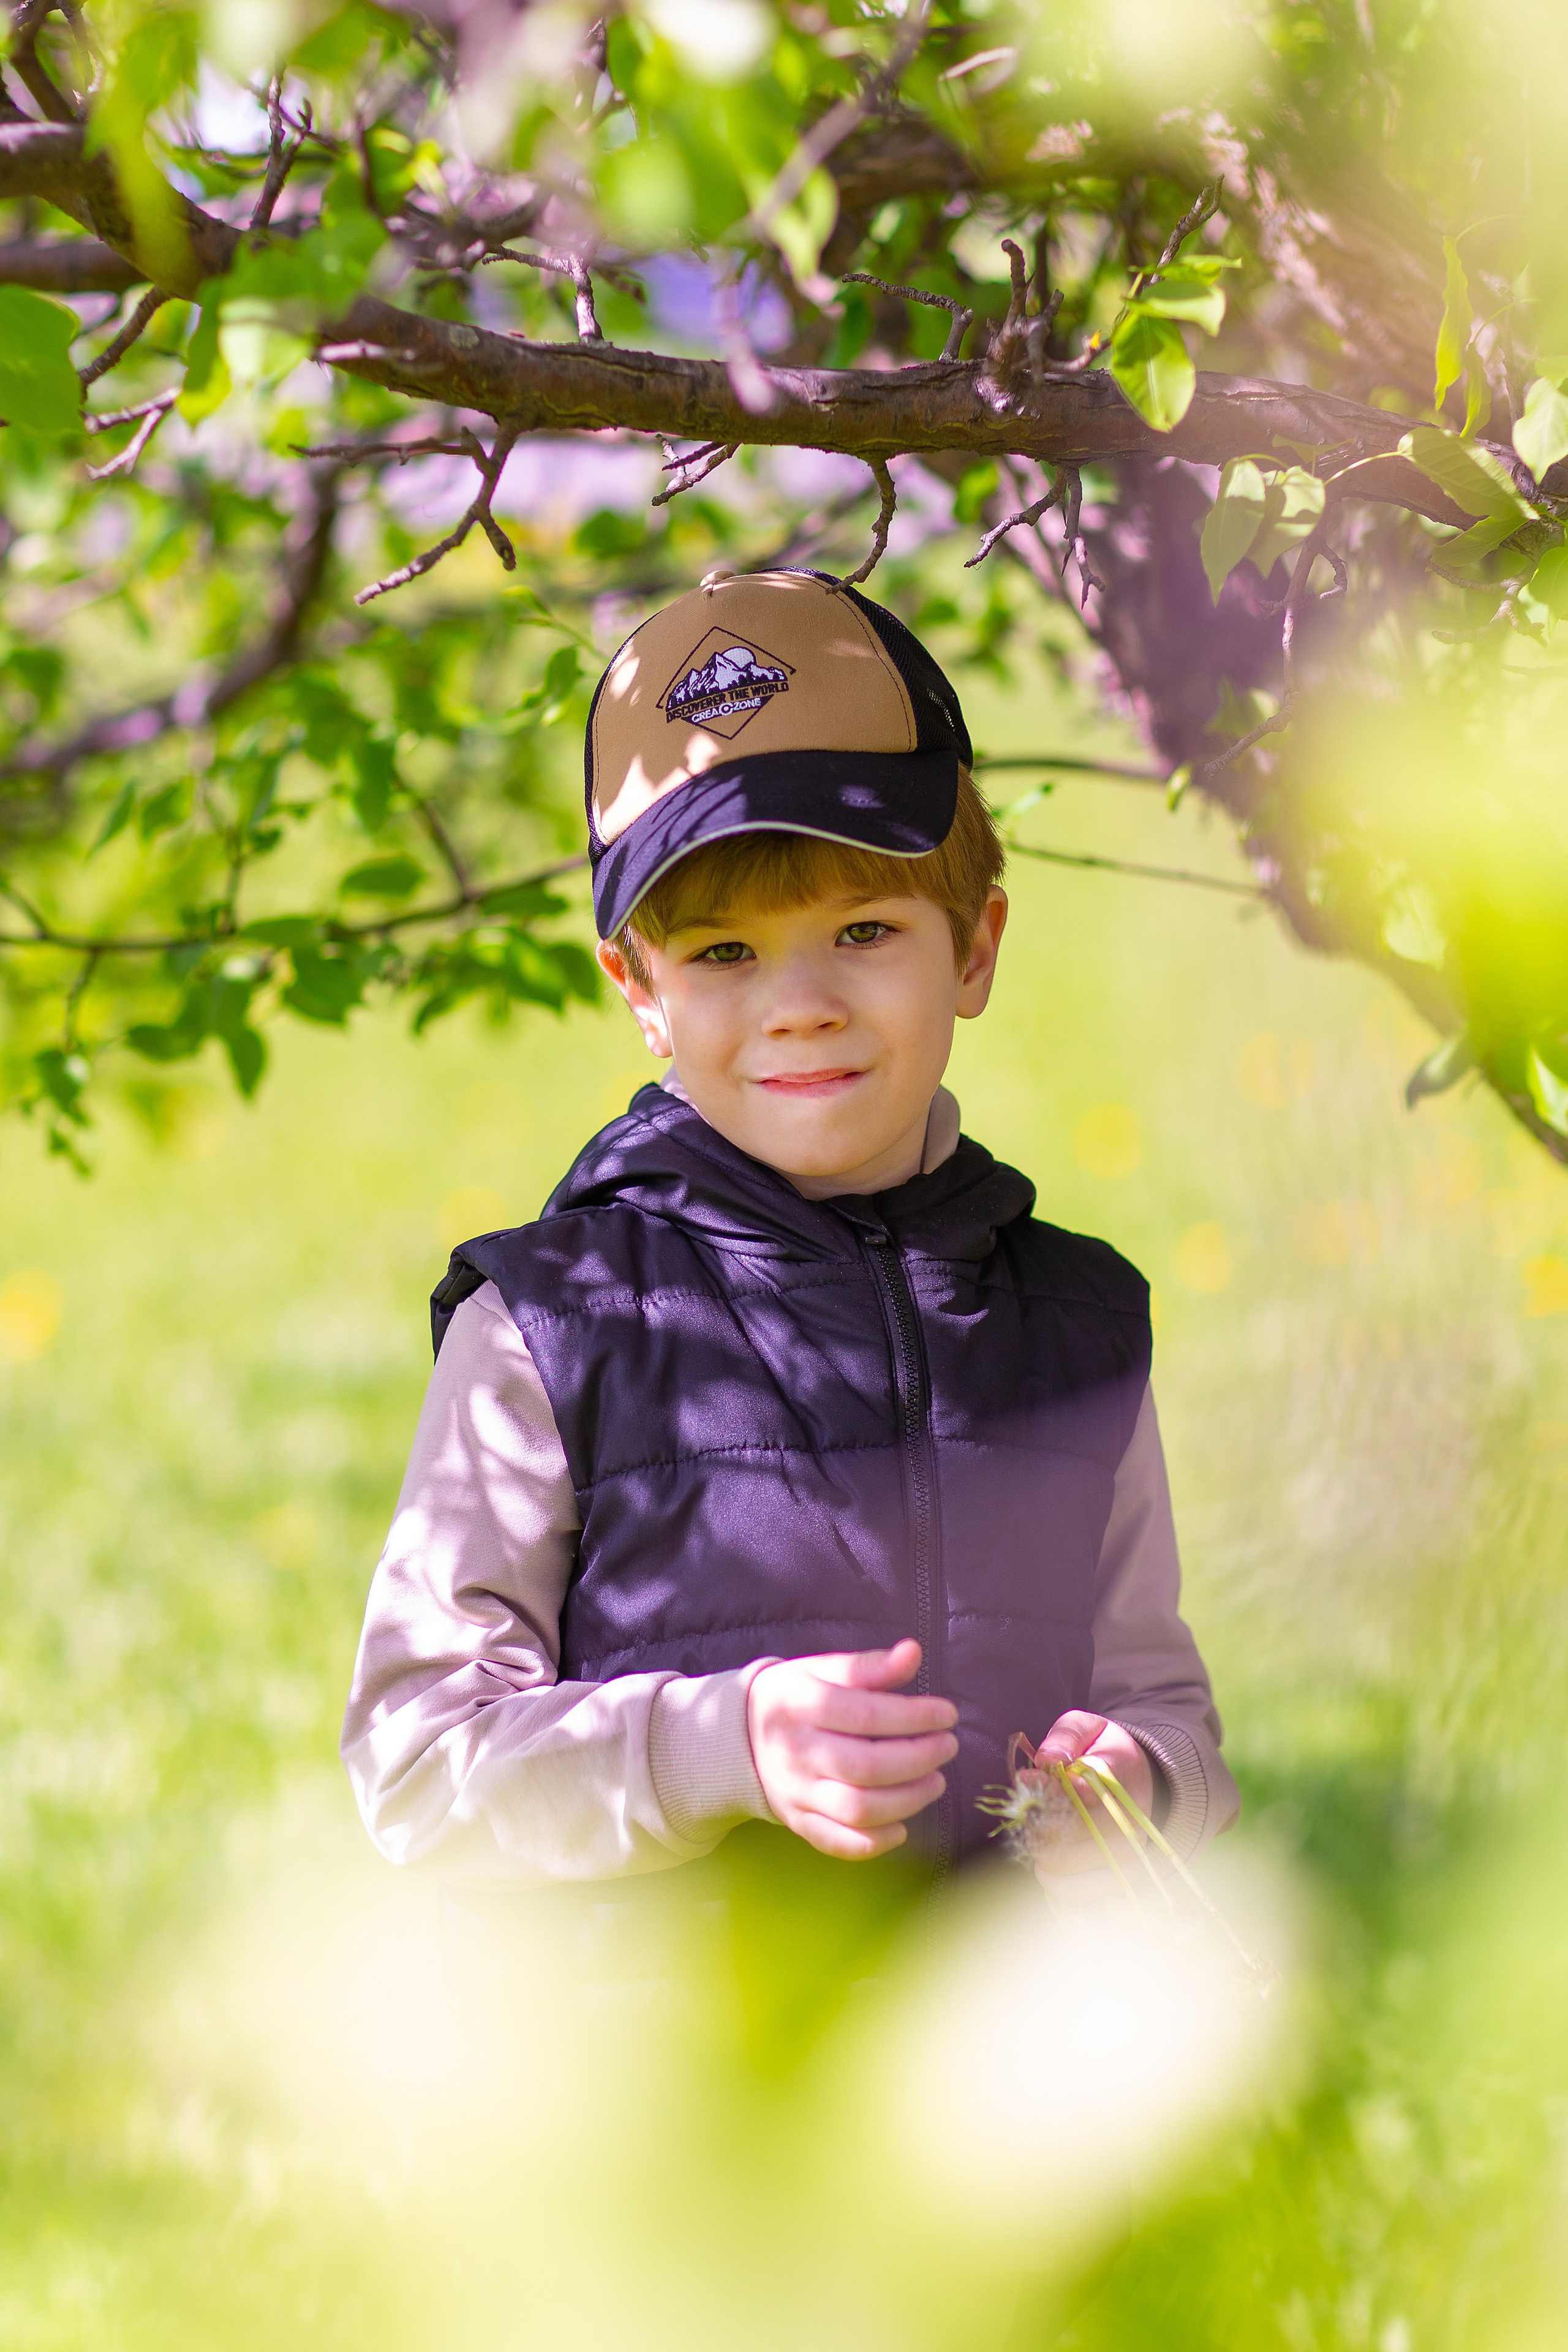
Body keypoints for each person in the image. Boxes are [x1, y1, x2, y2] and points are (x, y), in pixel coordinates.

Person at [342, 567, 1237, 1896]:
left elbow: (1162, 1702)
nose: (800, 1003)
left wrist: (1142, 1777)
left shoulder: (1074, 1322)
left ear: (974, 948)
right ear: (639, 989)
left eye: (863, 929)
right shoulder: (546, 1328)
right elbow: (417, 1766)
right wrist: (717, 1745)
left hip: (997, 2023)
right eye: (723, 953)